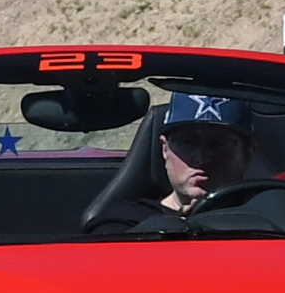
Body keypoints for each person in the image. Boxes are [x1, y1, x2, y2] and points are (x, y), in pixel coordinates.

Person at [85, 94, 262, 232]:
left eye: (218, 144)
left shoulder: (271, 219)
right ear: (164, 149)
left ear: (248, 153)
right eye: (188, 142)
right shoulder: (124, 223)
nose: (201, 157)